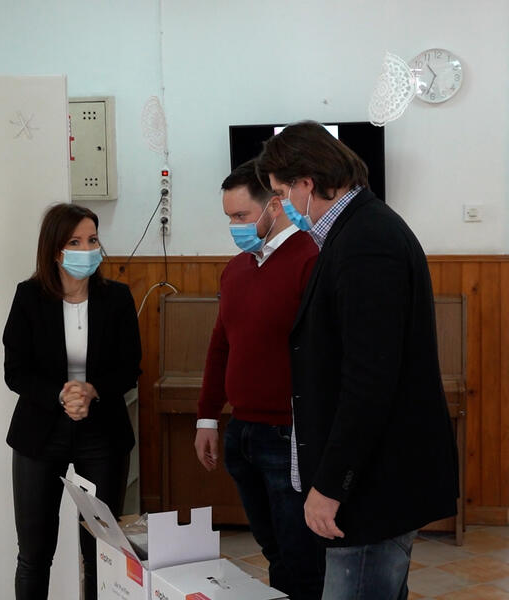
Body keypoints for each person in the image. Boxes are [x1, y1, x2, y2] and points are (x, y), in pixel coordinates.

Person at [257, 121, 459, 600]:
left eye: (281, 193)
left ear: (307, 183)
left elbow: (370, 380)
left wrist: (331, 485)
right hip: (370, 477)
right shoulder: (355, 230)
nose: (280, 205)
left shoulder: (367, 240)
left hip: (372, 484)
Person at [194, 160, 324, 599]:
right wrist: (207, 418)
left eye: (241, 216)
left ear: (274, 205)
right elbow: (221, 346)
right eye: (229, 217)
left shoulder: (310, 259)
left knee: (301, 558)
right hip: (243, 431)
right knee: (274, 551)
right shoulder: (237, 268)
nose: (234, 227)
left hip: (288, 434)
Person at [3, 203, 142, 600]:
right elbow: (16, 371)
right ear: (55, 250)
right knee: (34, 553)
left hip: (103, 432)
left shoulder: (117, 297)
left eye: (93, 240)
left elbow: (130, 367)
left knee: (101, 552)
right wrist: (61, 394)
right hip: (39, 433)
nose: (87, 249)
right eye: (75, 242)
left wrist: (92, 390)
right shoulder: (28, 296)